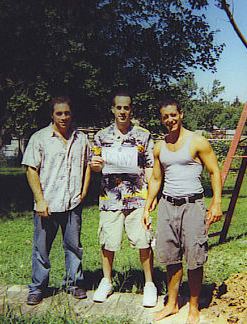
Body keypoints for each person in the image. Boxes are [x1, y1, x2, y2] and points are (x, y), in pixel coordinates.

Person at [142, 99, 223, 324]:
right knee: (171, 257)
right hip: (168, 205)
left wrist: (217, 202)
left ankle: (194, 306)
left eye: (173, 115)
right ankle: (172, 303)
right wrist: (149, 205)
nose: (170, 120)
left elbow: (214, 171)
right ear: (162, 120)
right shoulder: (159, 146)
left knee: (195, 257)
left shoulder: (197, 141)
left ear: (181, 114)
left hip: (193, 205)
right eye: (165, 117)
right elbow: (157, 178)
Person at [89, 92, 157, 307]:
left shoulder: (143, 136)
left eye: (126, 107)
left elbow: (150, 166)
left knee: (143, 241)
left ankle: (149, 284)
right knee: (108, 241)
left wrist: (151, 197)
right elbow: (96, 164)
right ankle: (106, 281)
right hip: (110, 198)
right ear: (113, 109)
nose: (122, 111)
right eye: (118, 107)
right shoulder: (101, 136)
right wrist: (96, 165)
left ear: (131, 109)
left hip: (137, 198)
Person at [22, 96, 91, 305]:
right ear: (52, 115)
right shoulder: (40, 138)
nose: (63, 117)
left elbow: (88, 165)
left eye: (67, 113)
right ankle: (38, 287)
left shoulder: (81, 139)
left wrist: (84, 191)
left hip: (72, 204)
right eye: (59, 113)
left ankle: (74, 283)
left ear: (72, 114)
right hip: (47, 205)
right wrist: (39, 200)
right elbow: (31, 169)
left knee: (73, 247)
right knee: (41, 249)